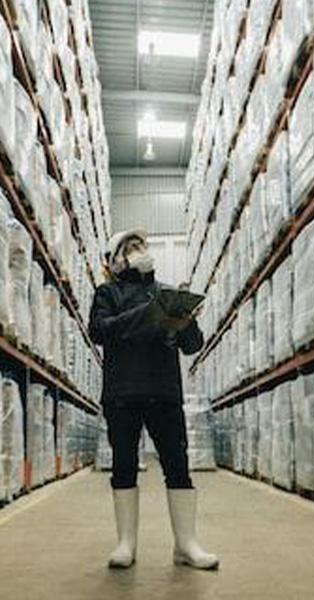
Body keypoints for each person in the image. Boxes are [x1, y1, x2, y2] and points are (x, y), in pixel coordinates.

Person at [88, 229, 219, 571]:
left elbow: (192, 346)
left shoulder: (167, 293)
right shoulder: (107, 293)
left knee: (177, 465)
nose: (139, 251)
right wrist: (147, 314)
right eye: (130, 248)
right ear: (114, 259)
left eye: (141, 246)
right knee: (124, 464)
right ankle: (126, 544)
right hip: (122, 393)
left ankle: (186, 545)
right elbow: (99, 330)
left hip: (164, 392)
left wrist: (186, 322)